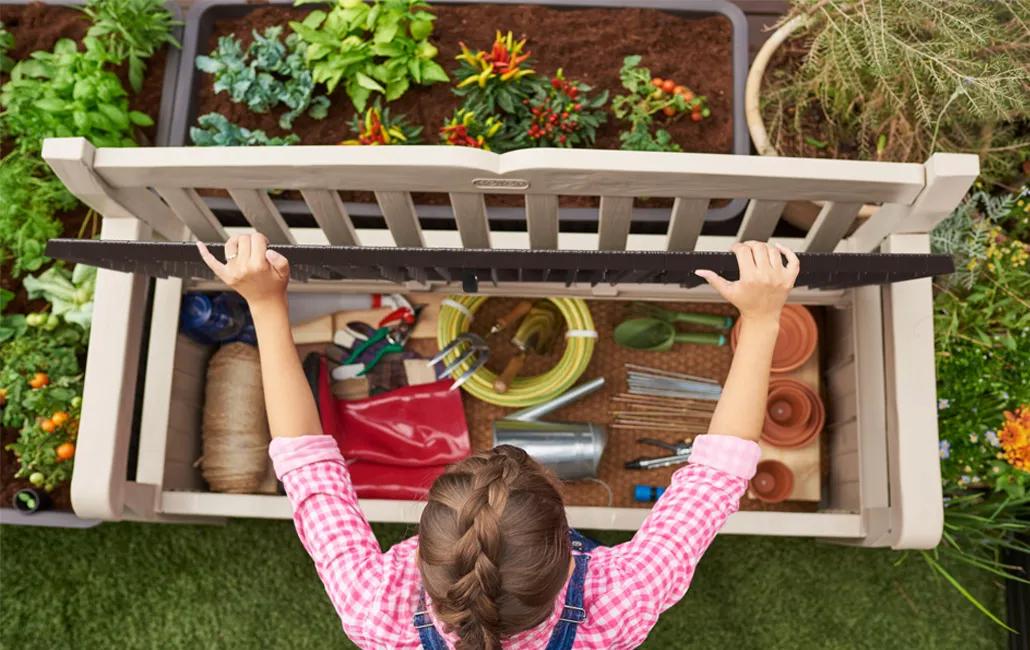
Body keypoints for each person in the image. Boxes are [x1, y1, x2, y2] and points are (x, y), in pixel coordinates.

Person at [197, 235, 800, 649]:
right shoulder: (620, 600)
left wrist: (264, 303)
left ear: (419, 556)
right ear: (567, 547)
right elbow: (718, 474)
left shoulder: (376, 605)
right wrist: (767, 316)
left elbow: (305, 463)